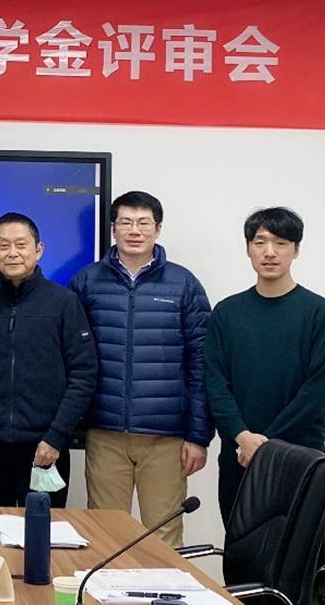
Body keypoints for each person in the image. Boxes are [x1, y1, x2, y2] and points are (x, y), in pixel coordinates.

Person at [69, 191, 213, 547]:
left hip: (166, 437)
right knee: (104, 536)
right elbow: (71, 356)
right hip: (105, 432)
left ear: (157, 229)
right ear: (113, 229)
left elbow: (201, 362)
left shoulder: (184, 284)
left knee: (163, 540)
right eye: (126, 222)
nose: (134, 230)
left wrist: (198, 436)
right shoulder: (87, 281)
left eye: (143, 223)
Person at [205, 207, 325, 525]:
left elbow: (317, 390)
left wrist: (265, 446)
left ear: (296, 249)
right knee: (240, 547)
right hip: (239, 454)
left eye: (281, 243)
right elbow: (215, 382)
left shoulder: (320, 313)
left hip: (300, 454)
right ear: (248, 248)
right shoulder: (227, 313)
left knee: (301, 548)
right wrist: (242, 436)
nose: (269, 252)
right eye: (260, 242)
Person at [0, 212, 97, 508]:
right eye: (3, 245)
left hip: (44, 447)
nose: (12, 253)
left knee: (41, 532)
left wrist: (56, 436)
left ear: (39, 250)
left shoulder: (64, 303)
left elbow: (84, 374)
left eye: (21, 244)